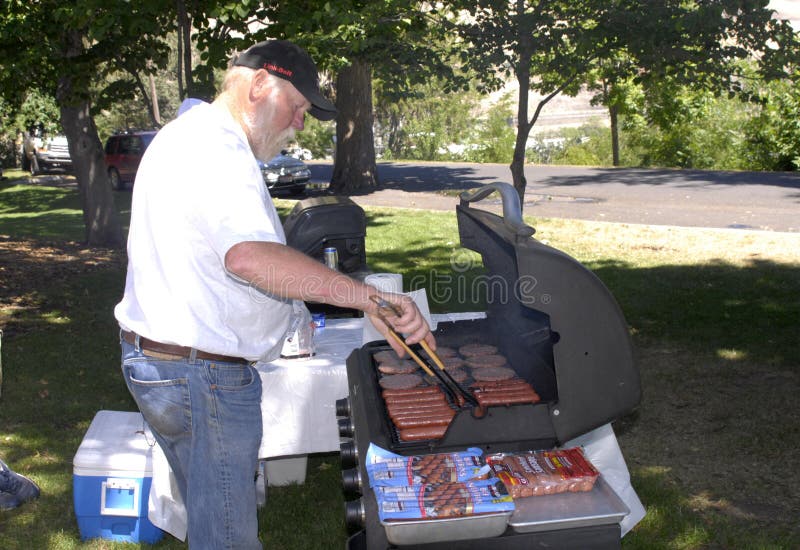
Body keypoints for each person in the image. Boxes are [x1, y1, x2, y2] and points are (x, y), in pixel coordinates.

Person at [114, 39, 434, 549]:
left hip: (159, 363)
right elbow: (249, 258)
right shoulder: (216, 148)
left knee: (209, 521)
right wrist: (368, 299)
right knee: (227, 539)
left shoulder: (187, 135)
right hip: (204, 377)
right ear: (260, 84)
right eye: (299, 106)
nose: (300, 123)